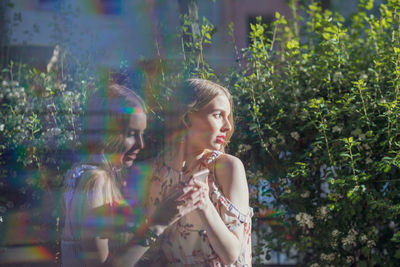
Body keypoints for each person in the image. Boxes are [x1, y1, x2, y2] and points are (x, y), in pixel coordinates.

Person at [61, 83, 204, 267]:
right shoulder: (96, 180)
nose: (141, 144)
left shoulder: (80, 172)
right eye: (131, 134)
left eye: (142, 134)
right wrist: (160, 222)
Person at [147, 78, 253, 266]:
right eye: (218, 115)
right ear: (187, 118)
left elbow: (232, 255)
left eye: (228, 117)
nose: (227, 126)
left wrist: (204, 204)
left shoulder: (228, 167)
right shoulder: (156, 172)